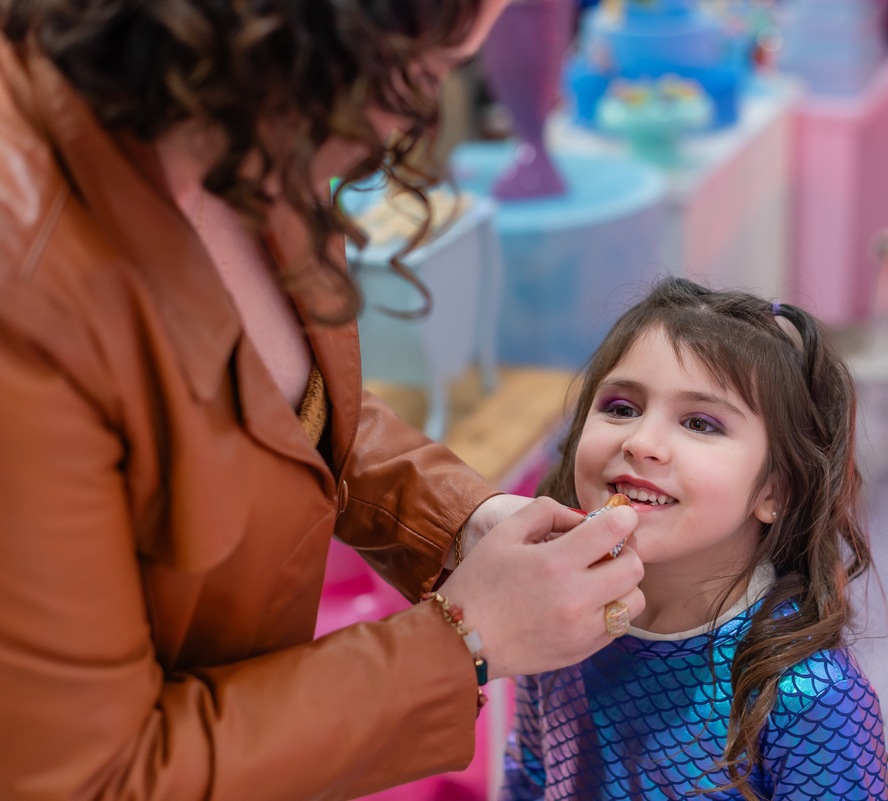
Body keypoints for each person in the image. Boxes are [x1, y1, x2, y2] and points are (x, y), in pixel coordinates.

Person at [0, 1, 646, 799]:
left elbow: (278, 408)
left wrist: (461, 520)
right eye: (421, 65)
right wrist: (464, 642)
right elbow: (90, 776)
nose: (420, 109)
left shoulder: (242, 120)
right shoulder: (29, 293)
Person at [502, 278, 888, 800]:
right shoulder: (556, 619)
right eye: (620, 408)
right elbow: (528, 778)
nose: (641, 443)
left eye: (700, 423)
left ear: (776, 490)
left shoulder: (812, 695)